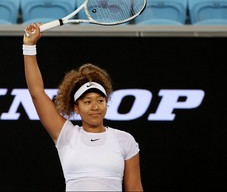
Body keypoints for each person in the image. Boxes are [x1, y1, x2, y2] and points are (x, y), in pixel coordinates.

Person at [22, 23, 143, 191]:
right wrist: (29, 46)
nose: (95, 106)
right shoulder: (66, 135)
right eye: (87, 102)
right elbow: (36, 93)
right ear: (76, 108)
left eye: (100, 101)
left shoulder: (125, 140)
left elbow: (135, 188)